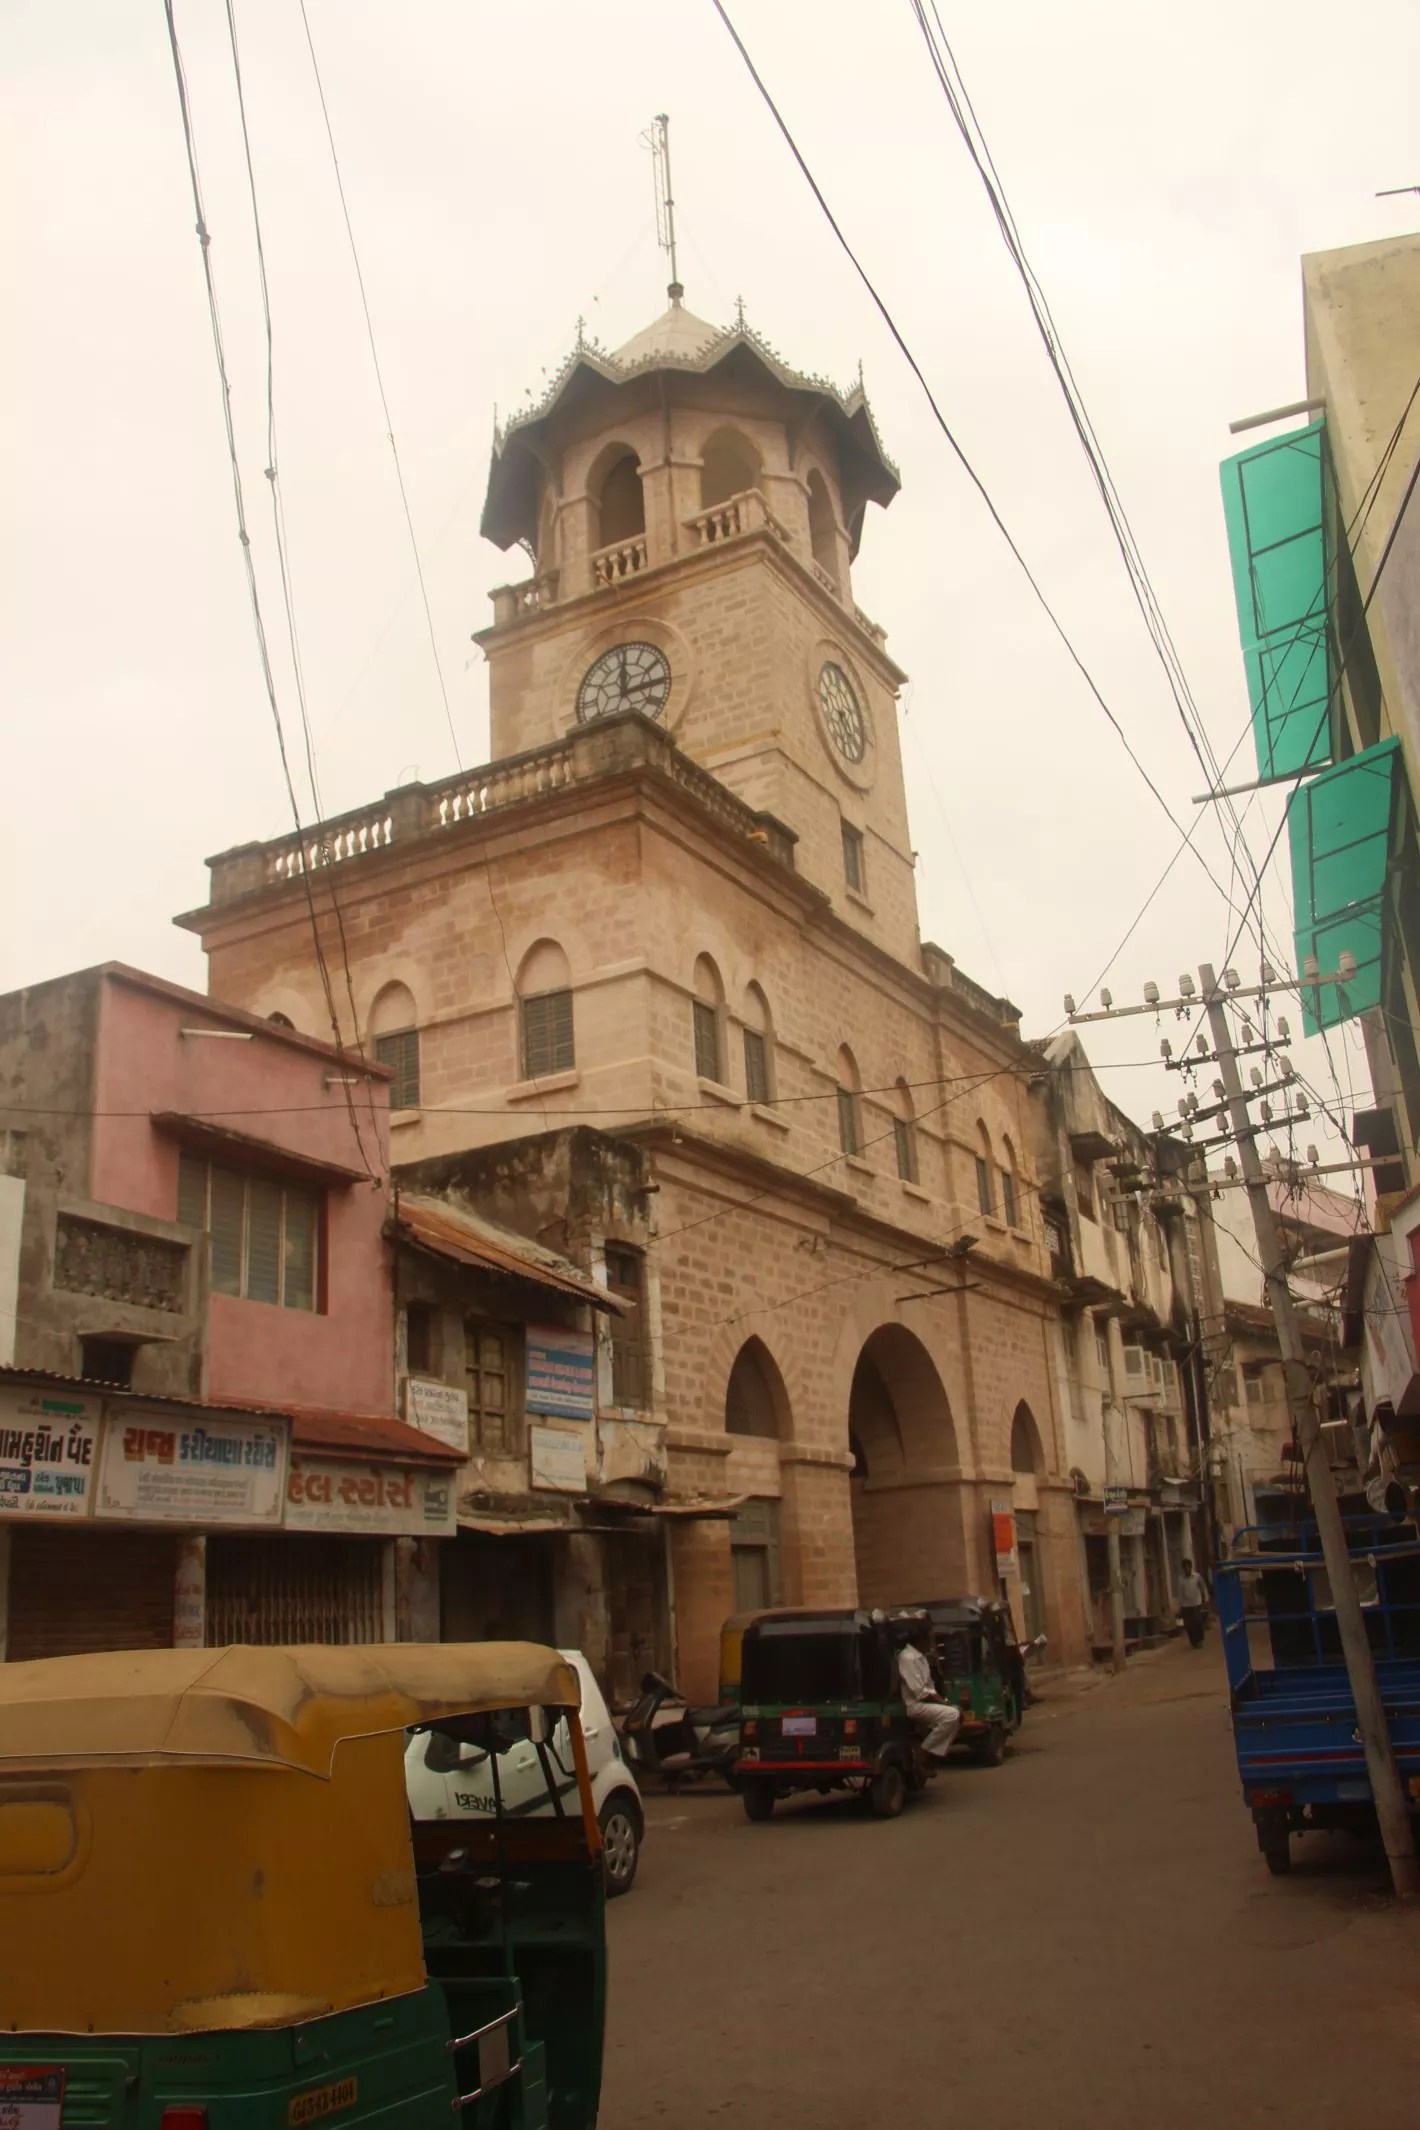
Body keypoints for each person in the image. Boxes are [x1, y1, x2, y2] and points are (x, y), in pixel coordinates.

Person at [897, 1622, 962, 1761]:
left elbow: (930, 1687)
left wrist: (944, 1702)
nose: (931, 1643)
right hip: (914, 1705)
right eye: (929, 1639)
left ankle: (932, 1755)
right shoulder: (907, 1657)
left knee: (957, 1712)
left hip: (924, 1703)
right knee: (952, 1715)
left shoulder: (922, 1657)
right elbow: (921, 1692)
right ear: (921, 1640)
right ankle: (923, 1752)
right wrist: (944, 1704)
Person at [1177, 1559, 1209, 1647]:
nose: (1187, 1569)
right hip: (1186, 1605)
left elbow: (1203, 1587)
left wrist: (1205, 1599)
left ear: (1191, 1567)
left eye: (1188, 1567)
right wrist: (1180, 1606)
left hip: (1196, 1603)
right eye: (1185, 1568)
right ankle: (1193, 1641)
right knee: (1189, 1625)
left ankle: (1200, 1640)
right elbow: (1180, 1593)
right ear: (1183, 1569)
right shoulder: (1181, 1579)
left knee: (1197, 1621)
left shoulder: (1197, 1576)